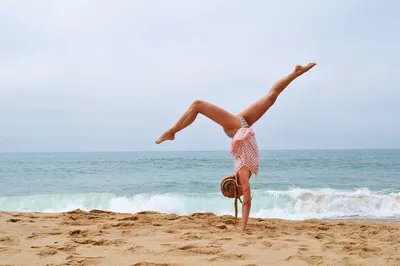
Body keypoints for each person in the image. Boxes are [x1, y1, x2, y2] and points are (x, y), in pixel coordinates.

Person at [155, 62, 317, 231]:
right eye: (236, 195)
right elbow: (246, 201)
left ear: (235, 187)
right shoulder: (246, 173)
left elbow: (247, 202)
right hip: (243, 126)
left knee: (197, 105)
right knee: (271, 97)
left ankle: (172, 132)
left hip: (236, 129)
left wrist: (243, 228)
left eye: (236, 193)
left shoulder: (241, 171)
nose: (242, 193)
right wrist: (243, 226)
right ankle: (296, 73)